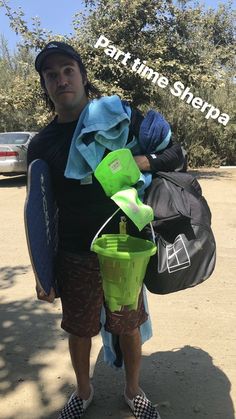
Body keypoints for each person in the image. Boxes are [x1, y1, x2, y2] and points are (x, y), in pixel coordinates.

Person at [28, 41, 185, 419]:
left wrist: (138, 160)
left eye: (68, 70)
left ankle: (133, 390)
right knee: (79, 330)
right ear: (46, 86)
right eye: (51, 75)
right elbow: (40, 213)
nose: (61, 79)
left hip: (126, 249)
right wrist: (42, 273)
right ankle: (83, 392)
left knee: (127, 325)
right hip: (74, 251)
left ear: (82, 76)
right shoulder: (41, 145)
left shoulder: (119, 117)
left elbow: (175, 154)